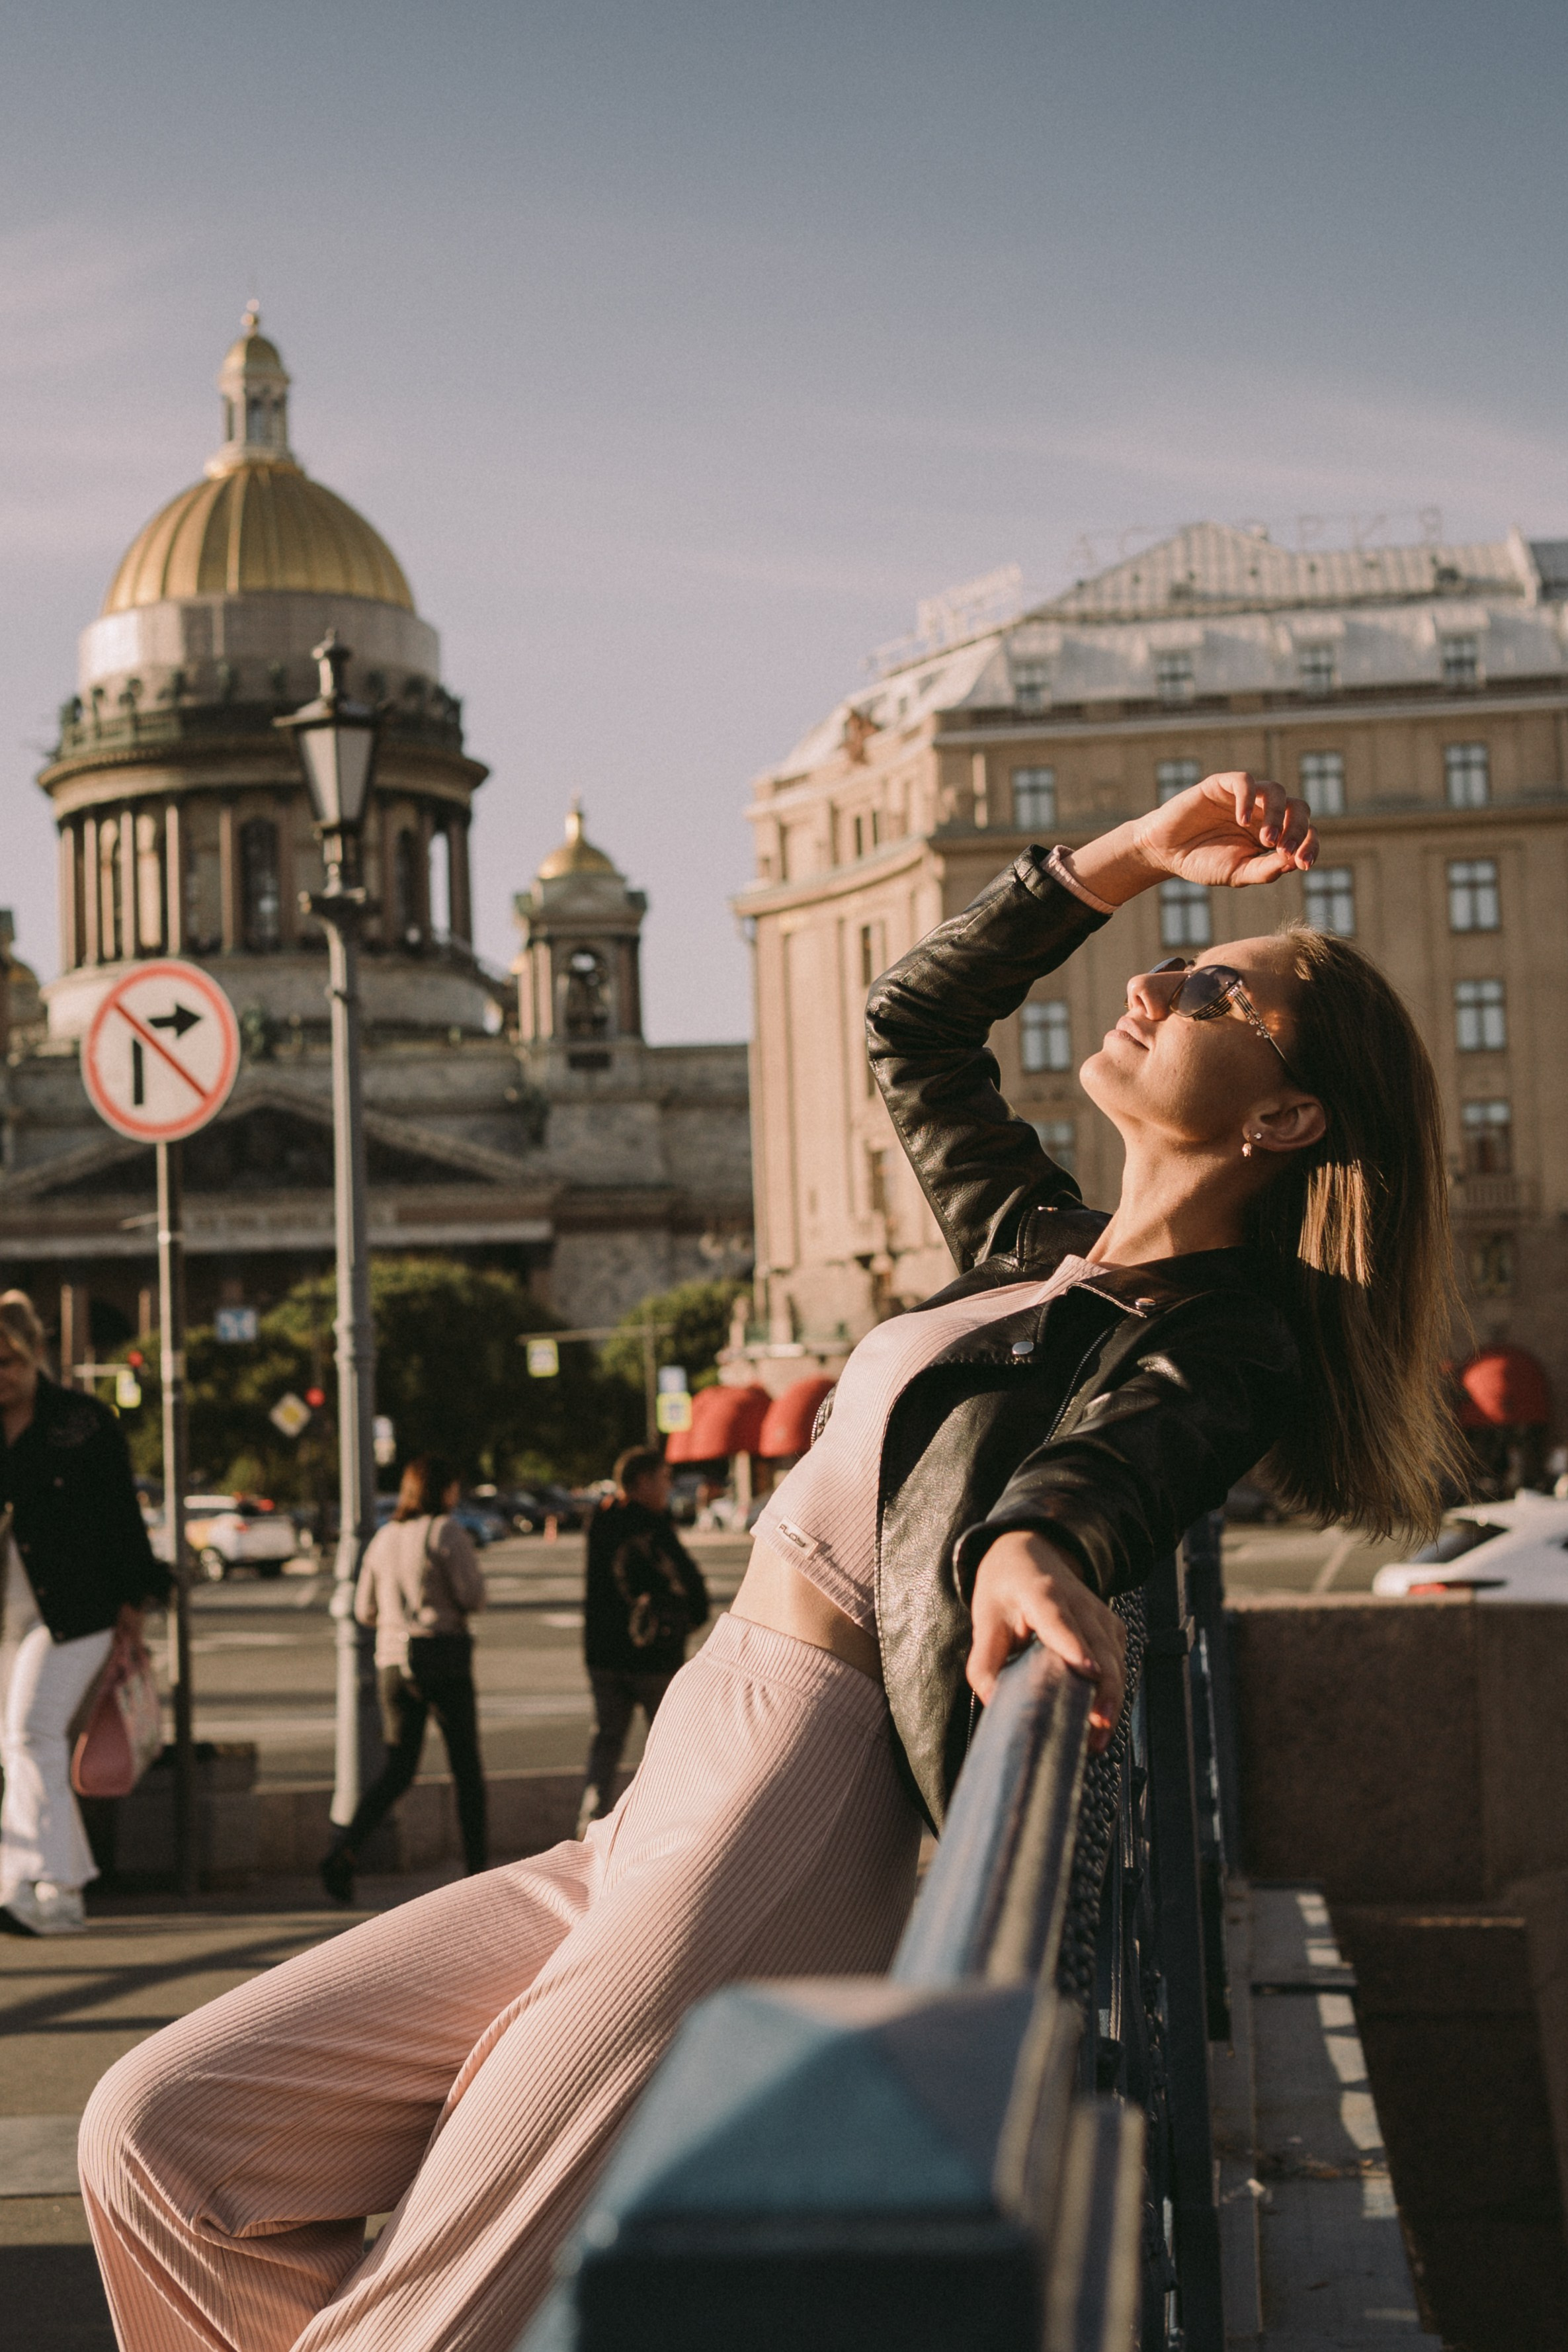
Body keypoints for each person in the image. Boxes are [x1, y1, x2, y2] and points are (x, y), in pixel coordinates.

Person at [81, 775, 1462, 2352]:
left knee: (425, 2324)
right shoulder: (1037, 1247)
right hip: (677, 1778)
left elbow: (1119, 1466)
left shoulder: (1233, 1338)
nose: (1154, 982)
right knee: (158, 2137)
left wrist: (1029, 1545)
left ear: (1282, 1120)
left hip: (790, 1806)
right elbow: (912, 1023)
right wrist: (1135, 855)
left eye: (1220, 987)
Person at [0, 1290, 171, 1936]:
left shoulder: (81, 1421)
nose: (1, 1376)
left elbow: (119, 1517)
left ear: (33, 1353)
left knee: (30, 1733)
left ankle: (56, 1887)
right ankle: (35, 1885)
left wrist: (134, 1597)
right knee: (15, 1745)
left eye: (9, 1361)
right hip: (6, 1615)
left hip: (76, 1609)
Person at [319, 1456, 488, 1905]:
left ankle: (344, 1849)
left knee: (398, 1768)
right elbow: (473, 1596)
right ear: (441, 1491)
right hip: (443, 1659)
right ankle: (478, 1875)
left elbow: (363, 1611)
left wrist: (395, 1620)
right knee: (466, 1769)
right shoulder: (446, 1532)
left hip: (394, 1663)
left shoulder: (383, 1537)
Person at [577, 1447, 710, 1835]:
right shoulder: (649, 1526)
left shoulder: (600, 1521)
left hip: (602, 1655)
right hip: (653, 1654)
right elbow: (687, 1579)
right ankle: (671, 1831)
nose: (669, 1487)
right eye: (664, 1479)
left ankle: (587, 1829)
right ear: (642, 1482)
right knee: (668, 1748)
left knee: (606, 1743)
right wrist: (692, 1615)